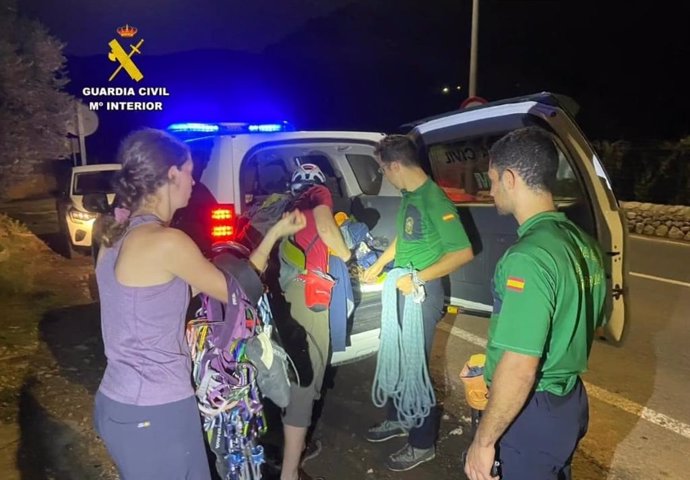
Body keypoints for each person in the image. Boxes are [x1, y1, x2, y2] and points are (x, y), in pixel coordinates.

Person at [92, 128, 306, 480]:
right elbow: (238, 291)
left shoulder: (114, 234)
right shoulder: (166, 242)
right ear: (171, 174)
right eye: (190, 171)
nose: (195, 181)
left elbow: (162, 295)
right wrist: (274, 235)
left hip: (119, 402)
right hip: (156, 410)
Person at [463, 127, 607, 480]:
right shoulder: (582, 242)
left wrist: (483, 443)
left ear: (511, 179)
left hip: (531, 411)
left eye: (493, 179)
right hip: (568, 402)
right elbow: (589, 320)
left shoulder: (527, 258)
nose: (490, 189)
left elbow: (520, 367)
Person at [362, 134, 474, 472]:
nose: (385, 176)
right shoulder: (411, 196)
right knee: (395, 353)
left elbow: (463, 252)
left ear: (395, 165)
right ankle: (398, 418)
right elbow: (405, 237)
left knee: (415, 367)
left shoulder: (434, 200)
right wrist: (380, 264)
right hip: (402, 283)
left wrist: (419, 278)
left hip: (420, 293)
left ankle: (422, 443)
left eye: (384, 169)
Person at [277, 163, 352, 480]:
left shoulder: (291, 206)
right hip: (311, 297)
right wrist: (347, 254)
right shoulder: (318, 194)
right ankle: (289, 472)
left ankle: (294, 446)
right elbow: (326, 229)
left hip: (292, 294)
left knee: (295, 373)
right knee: (305, 382)